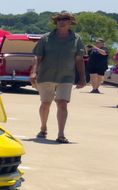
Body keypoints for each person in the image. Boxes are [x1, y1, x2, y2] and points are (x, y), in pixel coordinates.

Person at [30, 11, 87, 143]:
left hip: (66, 76)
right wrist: (33, 72)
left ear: (70, 21)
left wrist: (82, 78)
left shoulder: (77, 39)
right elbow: (37, 56)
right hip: (46, 75)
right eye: (59, 19)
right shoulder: (46, 38)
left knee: (62, 103)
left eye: (64, 19)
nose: (61, 21)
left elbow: (79, 60)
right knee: (45, 103)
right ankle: (43, 128)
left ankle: (61, 134)